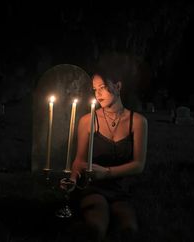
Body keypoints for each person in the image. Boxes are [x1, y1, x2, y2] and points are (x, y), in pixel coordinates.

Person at [61, 65, 148, 242]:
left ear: (118, 86)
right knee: (96, 226)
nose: (98, 94)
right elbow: (79, 160)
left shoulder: (138, 122)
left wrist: (107, 172)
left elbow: (139, 165)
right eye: (94, 90)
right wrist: (72, 179)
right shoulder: (87, 121)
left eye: (103, 87)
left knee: (128, 229)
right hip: (93, 187)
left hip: (121, 190)